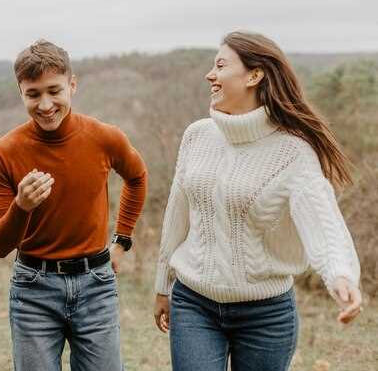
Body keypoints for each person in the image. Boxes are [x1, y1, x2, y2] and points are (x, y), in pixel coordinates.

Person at [153, 31, 362, 371]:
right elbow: (177, 214)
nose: (210, 74)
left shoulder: (292, 151)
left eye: (220, 65)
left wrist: (340, 275)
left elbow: (322, 220)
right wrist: (163, 285)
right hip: (194, 304)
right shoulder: (197, 135)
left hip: (266, 317)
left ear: (254, 75)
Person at [0, 39, 147, 371]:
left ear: (72, 85)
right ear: (20, 93)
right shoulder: (3, 153)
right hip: (33, 289)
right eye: (33, 94)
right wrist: (21, 206)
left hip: (96, 284)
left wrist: (122, 240)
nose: (45, 104)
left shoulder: (104, 137)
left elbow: (137, 177)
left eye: (54, 91)